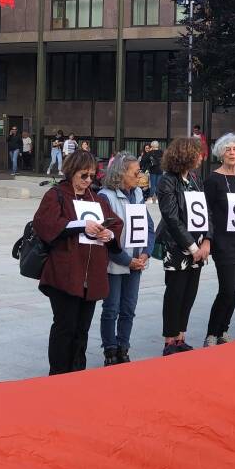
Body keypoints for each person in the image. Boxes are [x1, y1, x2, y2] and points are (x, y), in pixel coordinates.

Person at [33, 150, 123, 374]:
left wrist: (108, 235)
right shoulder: (56, 194)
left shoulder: (97, 198)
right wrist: (81, 225)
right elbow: (45, 223)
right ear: (71, 172)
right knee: (65, 326)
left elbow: (115, 224)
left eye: (92, 176)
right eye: (84, 175)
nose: (89, 181)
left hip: (90, 274)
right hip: (64, 273)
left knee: (82, 329)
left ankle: (76, 372)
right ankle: (58, 374)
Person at [154, 138, 211, 356]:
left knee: (190, 292)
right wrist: (191, 246)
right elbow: (171, 217)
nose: (200, 157)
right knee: (175, 292)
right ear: (186, 155)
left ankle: (181, 336)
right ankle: (170, 339)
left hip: (198, 246)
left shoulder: (195, 180)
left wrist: (207, 240)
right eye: (197, 153)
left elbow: (207, 213)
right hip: (178, 247)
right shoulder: (168, 181)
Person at [98, 153, 155, 365]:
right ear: (121, 173)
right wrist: (126, 260)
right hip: (115, 263)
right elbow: (106, 237)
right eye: (136, 172)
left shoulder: (138, 193)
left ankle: (123, 347)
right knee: (111, 308)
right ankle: (110, 349)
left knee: (129, 308)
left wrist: (145, 253)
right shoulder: (106, 197)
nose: (140, 176)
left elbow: (149, 227)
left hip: (136, 262)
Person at [202, 134, 235, 346]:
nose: (232, 153)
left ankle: (224, 329)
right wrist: (208, 238)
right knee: (226, 289)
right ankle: (212, 333)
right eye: (228, 149)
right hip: (223, 242)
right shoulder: (213, 179)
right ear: (221, 153)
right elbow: (208, 213)